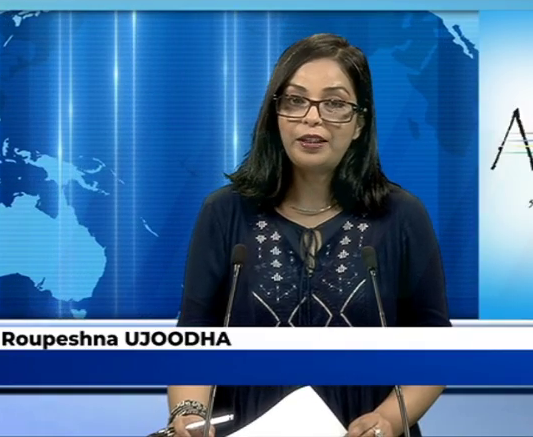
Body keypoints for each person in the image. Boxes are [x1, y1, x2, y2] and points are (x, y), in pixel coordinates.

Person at [166, 33, 451, 437]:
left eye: (334, 103)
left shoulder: (402, 216)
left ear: (359, 123)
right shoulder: (224, 213)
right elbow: (194, 336)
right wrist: (189, 414)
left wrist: (388, 420)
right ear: (275, 114)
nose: (312, 118)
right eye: (296, 100)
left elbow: (435, 349)